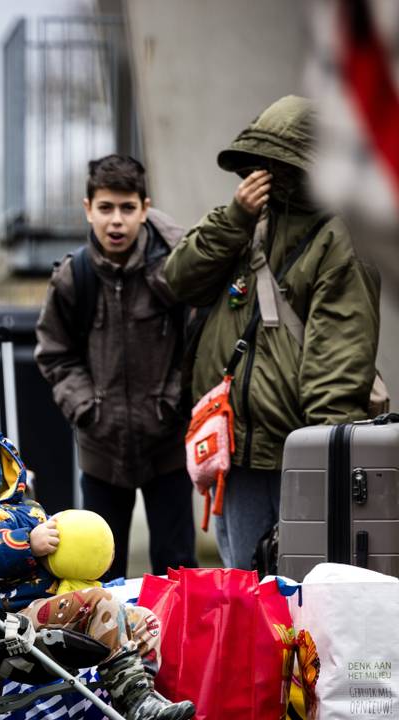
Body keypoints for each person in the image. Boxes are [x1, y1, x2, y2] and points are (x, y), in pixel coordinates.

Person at [163, 96, 381, 569]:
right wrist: (236, 217)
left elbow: (338, 361)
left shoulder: (341, 238)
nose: (264, 173)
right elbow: (180, 278)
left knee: (282, 586)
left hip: (288, 449)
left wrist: (325, 461)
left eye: (276, 162)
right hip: (232, 444)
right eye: (259, 163)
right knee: (245, 577)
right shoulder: (249, 218)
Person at [0, 416, 195, 720]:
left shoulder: (29, 510)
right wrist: (27, 543)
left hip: (53, 604)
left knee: (145, 620)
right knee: (99, 604)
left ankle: (140, 698)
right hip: (9, 619)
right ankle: (138, 704)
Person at [35, 155, 197, 581]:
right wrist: (89, 409)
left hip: (168, 447)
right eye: (105, 208)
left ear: (145, 208)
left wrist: (175, 401)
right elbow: (54, 353)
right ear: (87, 208)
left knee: (177, 570)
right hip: (102, 450)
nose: (116, 221)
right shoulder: (74, 277)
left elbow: (198, 344)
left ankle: (176, 649)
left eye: (127, 208)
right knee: (99, 573)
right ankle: (113, 649)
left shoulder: (174, 271)